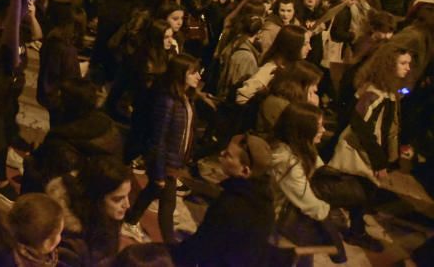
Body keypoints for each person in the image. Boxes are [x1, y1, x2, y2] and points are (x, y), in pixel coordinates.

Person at [326, 46, 413, 253]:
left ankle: (355, 229)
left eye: (409, 63)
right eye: (403, 63)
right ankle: (351, 231)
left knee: (363, 193)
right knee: (359, 192)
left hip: (367, 150)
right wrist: (378, 160)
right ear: (388, 65)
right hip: (360, 151)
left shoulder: (388, 89)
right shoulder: (375, 92)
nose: (408, 68)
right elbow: (360, 124)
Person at [173, 133, 291, 267]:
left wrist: (172, 254)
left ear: (245, 171)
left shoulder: (231, 205)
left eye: (228, 155)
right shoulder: (264, 201)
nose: (221, 153)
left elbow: (203, 245)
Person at [123, 54, 201, 244]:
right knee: (168, 204)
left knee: (152, 192)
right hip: (165, 162)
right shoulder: (168, 101)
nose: (198, 76)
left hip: (172, 161)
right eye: (193, 72)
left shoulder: (186, 98)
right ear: (180, 74)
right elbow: (158, 138)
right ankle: (169, 246)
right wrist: (158, 171)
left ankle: (130, 220)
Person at [270, 102, 347, 263]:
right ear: (304, 129)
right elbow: (308, 203)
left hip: (298, 219)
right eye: (318, 126)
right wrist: (329, 216)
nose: (323, 130)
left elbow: (319, 171)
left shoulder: (303, 148)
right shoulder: (287, 161)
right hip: (281, 224)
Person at [45, 156, 135, 263]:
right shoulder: (70, 240)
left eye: (127, 196)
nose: (127, 205)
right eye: (117, 199)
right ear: (96, 199)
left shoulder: (105, 216)